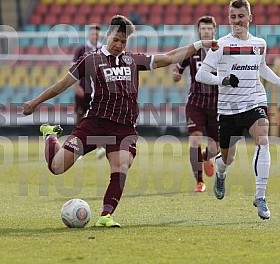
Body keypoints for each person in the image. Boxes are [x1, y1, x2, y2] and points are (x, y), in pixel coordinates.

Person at [23, 14, 218, 227]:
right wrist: (35, 102)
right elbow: (61, 84)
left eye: (123, 42)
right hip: (95, 124)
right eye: (115, 39)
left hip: (124, 129)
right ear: (108, 34)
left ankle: (106, 215)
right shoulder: (91, 60)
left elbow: (170, 57)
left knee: (121, 164)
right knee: (57, 167)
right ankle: (49, 134)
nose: (118, 45)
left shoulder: (133, 60)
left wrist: (200, 44)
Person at [195, 0, 280, 219]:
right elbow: (201, 74)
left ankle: (260, 196)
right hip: (228, 109)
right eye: (232, 17)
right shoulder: (220, 45)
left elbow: (261, 67)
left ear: (249, 18)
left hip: (254, 101)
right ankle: (221, 172)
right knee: (228, 159)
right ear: (228, 19)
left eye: (241, 16)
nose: (236, 20)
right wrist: (223, 81)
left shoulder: (259, 43)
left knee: (263, 140)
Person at [173, 16, 220, 192]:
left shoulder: (221, 51)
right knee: (195, 140)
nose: (206, 31)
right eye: (203, 29)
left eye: (209, 29)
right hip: (196, 102)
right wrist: (176, 74)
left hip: (217, 104)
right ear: (198, 31)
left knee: (215, 148)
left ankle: (205, 158)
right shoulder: (192, 51)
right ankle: (199, 181)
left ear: (214, 30)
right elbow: (178, 68)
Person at [73, 24, 105, 159]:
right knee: (80, 116)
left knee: (97, 118)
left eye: (97, 33)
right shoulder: (81, 49)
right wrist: (77, 86)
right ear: (89, 34)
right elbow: (74, 69)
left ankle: (99, 146)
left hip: (97, 90)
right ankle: (77, 146)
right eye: (93, 33)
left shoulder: (102, 49)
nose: (95, 35)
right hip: (83, 87)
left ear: (100, 35)